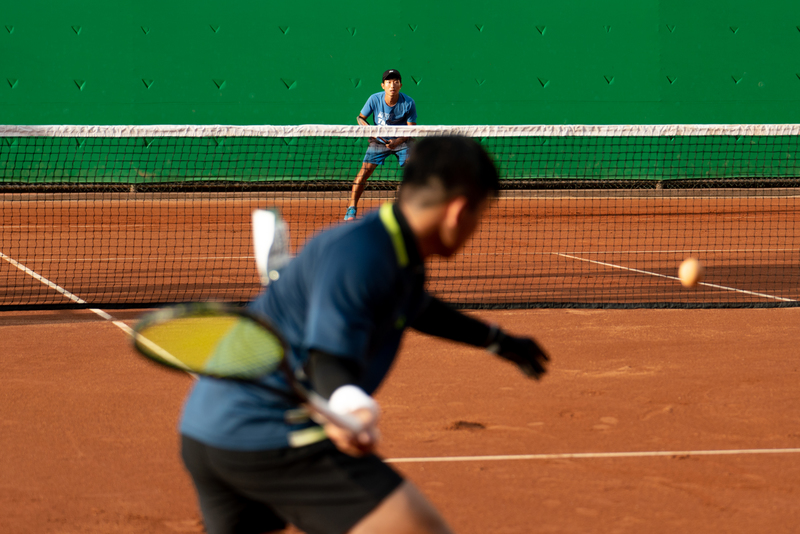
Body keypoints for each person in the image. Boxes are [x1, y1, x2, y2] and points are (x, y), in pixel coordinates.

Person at [179, 136, 550, 534]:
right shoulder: (363, 257)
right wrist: (351, 406)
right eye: (481, 215)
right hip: (270, 432)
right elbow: (328, 358)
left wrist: (497, 340)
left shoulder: (389, 242)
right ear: (458, 212)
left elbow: (415, 306)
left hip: (209, 426)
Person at [344, 69, 417, 221]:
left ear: (400, 85)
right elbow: (360, 118)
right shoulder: (374, 99)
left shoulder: (408, 102)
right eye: (389, 82)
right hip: (379, 141)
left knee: (415, 171)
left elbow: (411, 129)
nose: (392, 86)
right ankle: (351, 208)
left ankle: (412, 209)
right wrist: (367, 129)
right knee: (364, 172)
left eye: (396, 82)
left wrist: (397, 141)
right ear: (383, 85)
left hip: (402, 140)